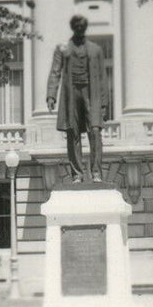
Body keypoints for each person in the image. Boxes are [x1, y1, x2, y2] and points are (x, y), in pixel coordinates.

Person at [45, 14, 108, 183]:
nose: (80, 29)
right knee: (72, 132)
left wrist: (104, 104)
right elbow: (55, 71)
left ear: (85, 28)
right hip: (71, 93)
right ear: (73, 28)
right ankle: (77, 174)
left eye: (82, 27)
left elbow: (102, 78)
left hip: (91, 93)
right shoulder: (63, 49)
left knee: (95, 131)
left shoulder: (95, 50)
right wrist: (51, 95)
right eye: (77, 26)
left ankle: (96, 173)